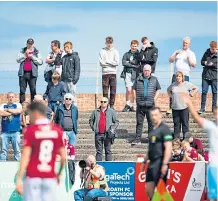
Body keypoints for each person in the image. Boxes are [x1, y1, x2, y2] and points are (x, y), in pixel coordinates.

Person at [15, 102, 66, 201]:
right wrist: (58, 174)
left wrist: (19, 178)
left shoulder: (31, 130)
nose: (29, 117)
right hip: (50, 177)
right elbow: (63, 157)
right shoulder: (57, 130)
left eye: (30, 114)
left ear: (36, 113)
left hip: (33, 177)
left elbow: (25, 156)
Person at [180, 93, 218, 201]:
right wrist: (189, 104)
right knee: (214, 197)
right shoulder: (211, 126)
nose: (217, 116)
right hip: (214, 166)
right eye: (215, 114)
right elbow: (197, 118)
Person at [141, 107, 173, 200]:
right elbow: (150, 148)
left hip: (160, 162)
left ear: (160, 116)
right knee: (148, 189)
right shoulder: (153, 131)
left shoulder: (165, 129)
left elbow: (168, 147)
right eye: (152, 115)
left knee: (161, 190)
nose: (154, 117)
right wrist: (144, 161)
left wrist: (165, 163)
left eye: (156, 115)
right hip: (151, 163)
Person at [132, 64, 161, 145]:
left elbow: (158, 89)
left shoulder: (155, 79)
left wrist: (154, 99)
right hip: (140, 104)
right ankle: (137, 139)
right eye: (145, 70)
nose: (146, 72)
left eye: (148, 70)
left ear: (151, 71)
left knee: (151, 123)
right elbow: (133, 89)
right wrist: (136, 99)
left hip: (150, 105)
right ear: (143, 71)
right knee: (139, 122)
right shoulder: (138, 79)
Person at [167, 37, 196, 114]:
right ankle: (171, 107)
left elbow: (194, 65)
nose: (184, 44)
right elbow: (170, 60)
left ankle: (186, 107)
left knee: (185, 92)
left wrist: (189, 59)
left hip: (185, 75)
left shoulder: (191, 53)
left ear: (189, 44)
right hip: (176, 74)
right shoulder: (177, 51)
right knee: (173, 90)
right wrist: (175, 55)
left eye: (186, 43)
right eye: (184, 42)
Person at [167, 71, 198, 140]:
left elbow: (196, 88)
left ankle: (185, 141)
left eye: (179, 76)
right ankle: (176, 141)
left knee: (185, 125)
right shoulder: (173, 85)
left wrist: (191, 95)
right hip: (175, 108)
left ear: (182, 77)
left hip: (184, 108)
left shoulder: (186, 84)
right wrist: (172, 96)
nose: (178, 78)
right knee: (176, 125)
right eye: (177, 76)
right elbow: (168, 90)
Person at [89, 97, 119, 161]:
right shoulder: (95, 111)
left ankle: (109, 167)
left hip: (107, 134)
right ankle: (98, 166)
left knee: (108, 151)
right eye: (101, 102)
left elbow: (116, 121)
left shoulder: (111, 111)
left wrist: (112, 128)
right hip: (98, 134)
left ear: (107, 103)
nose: (103, 103)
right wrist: (94, 128)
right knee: (99, 151)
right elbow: (91, 120)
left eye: (104, 102)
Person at [17, 38, 43, 103]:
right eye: (29, 43)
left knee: (33, 90)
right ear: (26, 44)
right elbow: (17, 60)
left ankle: (33, 107)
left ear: (33, 44)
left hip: (32, 74)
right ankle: (22, 105)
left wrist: (32, 57)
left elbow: (40, 62)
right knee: (22, 90)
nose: (30, 45)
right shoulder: (22, 51)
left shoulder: (36, 52)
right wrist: (25, 56)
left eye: (31, 44)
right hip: (23, 73)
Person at [0, 92, 22, 161]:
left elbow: (18, 111)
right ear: (7, 97)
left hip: (15, 131)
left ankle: (18, 166)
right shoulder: (3, 105)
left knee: (17, 151)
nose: (11, 98)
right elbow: (1, 113)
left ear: (15, 98)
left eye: (12, 97)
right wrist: (10, 114)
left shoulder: (18, 105)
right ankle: (3, 165)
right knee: (3, 151)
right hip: (5, 132)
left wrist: (7, 110)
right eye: (9, 97)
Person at [99, 36, 120, 109]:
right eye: (108, 43)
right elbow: (101, 63)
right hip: (105, 73)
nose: (109, 44)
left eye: (110, 43)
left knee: (113, 90)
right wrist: (111, 63)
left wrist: (107, 61)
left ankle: (112, 105)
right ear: (106, 43)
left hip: (113, 73)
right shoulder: (102, 51)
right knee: (105, 91)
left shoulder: (115, 51)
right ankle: (105, 105)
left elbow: (117, 62)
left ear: (112, 43)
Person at [121, 40, 141, 112]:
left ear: (137, 46)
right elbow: (123, 62)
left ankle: (132, 105)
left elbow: (137, 62)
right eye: (133, 46)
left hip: (136, 74)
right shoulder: (126, 54)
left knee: (133, 90)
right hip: (127, 73)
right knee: (128, 90)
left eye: (135, 46)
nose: (134, 47)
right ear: (130, 46)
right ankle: (127, 104)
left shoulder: (139, 54)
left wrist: (129, 62)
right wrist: (133, 65)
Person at [199, 41, 217, 114]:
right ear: (210, 47)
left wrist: (213, 64)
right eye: (211, 49)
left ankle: (214, 109)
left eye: (214, 49)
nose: (213, 50)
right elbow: (201, 62)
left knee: (215, 92)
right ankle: (202, 108)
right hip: (205, 75)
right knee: (204, 92)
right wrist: (205, 63)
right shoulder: (206, 53)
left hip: (214, 76)